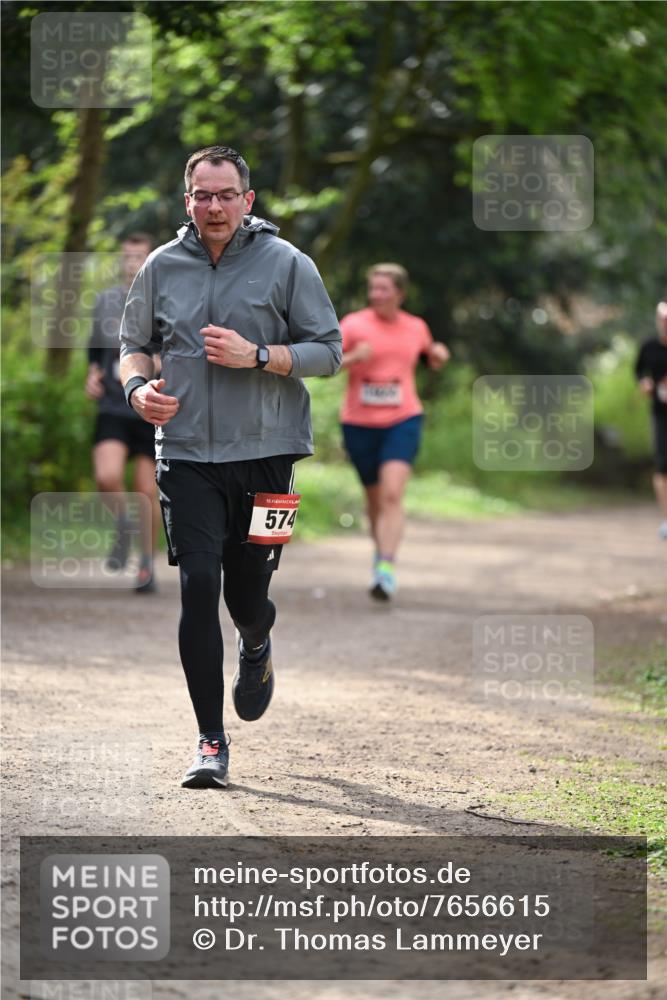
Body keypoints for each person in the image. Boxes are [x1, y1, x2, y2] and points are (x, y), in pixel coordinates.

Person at [119, 145, 341, 788]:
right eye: (201, 195)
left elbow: (328, 353)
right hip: (185, 453)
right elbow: (134, 348)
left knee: (248, 595)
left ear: (248, 200)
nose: (213, 207)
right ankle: (210, 742)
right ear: (186, 199)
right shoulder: (162, 266)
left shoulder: (288, 264)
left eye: (225, 195)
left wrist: (259, 355)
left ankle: (256, 640)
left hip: (269, 454)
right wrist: (138, 392)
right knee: (197, 586)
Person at [339, 263, 449, 600]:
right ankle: (380, 554)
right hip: (358, 422)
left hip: (403, 419)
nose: (376, 295)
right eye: (373, 288)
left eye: (384, 289)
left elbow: (431, 358)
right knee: (374, 499)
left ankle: (385, 568)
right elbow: (325, 363)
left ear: (400, 293)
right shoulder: (354, 324)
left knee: (391, 494)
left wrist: (439, 354)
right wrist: (354, 356)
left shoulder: (416, 327)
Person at [86, 233, 160, 592]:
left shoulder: (165, 301)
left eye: (139, 257)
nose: (132, 264)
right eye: (127, 257)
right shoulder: (106, 302)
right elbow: (95, 350)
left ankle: (146, 565)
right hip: (114, 404)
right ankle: (123, 525)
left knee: (146, 490)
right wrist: (93, 374)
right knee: (107, 476)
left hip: (150, 406)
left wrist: (160, 362)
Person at [635, 301, 667, 538]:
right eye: (662, 318)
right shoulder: (649, 347)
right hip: (660, 413)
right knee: (662, 465)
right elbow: (638, 371)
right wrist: (643, 383)